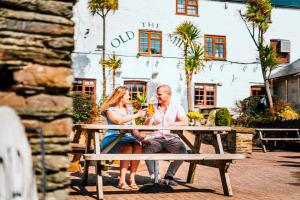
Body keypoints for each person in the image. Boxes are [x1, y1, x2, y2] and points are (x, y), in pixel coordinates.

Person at [100, 86, 146, 190]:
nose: (129, 97)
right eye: (127, 95)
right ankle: (121, 181)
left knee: (138, 146)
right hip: (112, 137)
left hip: (127, 137)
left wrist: (141, 139)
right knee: (127, 147)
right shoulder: (109, 109)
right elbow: (118, 121)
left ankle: (132, 178)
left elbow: (133, 128)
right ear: (121, 96)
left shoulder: (129, 109)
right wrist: (137, 115)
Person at [143, 84, 188, 186]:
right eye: (157, 94)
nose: (157, 97)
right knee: (146, 147)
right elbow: (146, 126)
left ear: (168, 95)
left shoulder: (177, 107)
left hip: (170, 137)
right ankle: (156, 178)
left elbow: (185, 121)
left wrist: (174, 124)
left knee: (182, 151)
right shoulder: (152, 107)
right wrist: (149, 118)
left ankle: (169, 176)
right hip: (155, 137)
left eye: (159, 94)